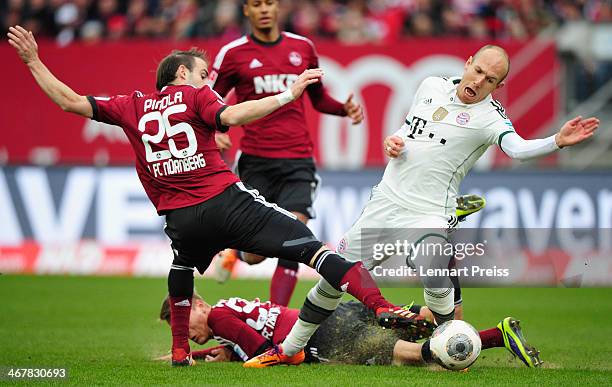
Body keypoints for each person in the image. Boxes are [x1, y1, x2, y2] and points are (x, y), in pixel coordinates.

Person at [8, 24, 429, 367]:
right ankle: (379, 305)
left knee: (182, 267)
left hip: (182, 220)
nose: (207, 78)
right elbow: (232, 115)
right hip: (226, 203)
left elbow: (68, 101)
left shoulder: (131, 106)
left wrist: (33, 60)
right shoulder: (194, 95)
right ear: (181, 75)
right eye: (202, 73)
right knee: (313, 250)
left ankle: (178, 352)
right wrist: (287, 94)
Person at [246, 44, 598, 368]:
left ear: (498, 86)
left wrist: (557, 141)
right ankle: (289, 351)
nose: (480, 81)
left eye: (491, 80)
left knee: (433, 269)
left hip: (430, 210)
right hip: (384, 202)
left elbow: (517, 149)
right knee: (333, 280)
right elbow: (408, 129)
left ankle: (450, 344)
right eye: (478, 71)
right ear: (468, 63)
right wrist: (394, 140)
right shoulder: (431, 86)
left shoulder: (490, 118)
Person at [209, 0, 364, 307]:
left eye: (269, 3)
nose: (264, 9)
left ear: (277, 7)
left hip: (298, 162)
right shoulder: (233, 54)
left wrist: (343, 110)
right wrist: (216, 131)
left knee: (295, 237)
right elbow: (209, 100)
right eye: (257, 4)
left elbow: (318, 99)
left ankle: (276, 318)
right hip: (255, 162)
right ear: (247, 11)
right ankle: (234, 252)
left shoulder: (303, 47)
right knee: (254, 256)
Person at [158, 292, 542, 368]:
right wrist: (203, 354)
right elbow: (240, 343)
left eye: (182, 322)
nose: (185, 333)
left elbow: (261, 350)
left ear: (199, 306)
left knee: (413, 359)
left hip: (320, 334)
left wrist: (201, 356)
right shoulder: (225, 311)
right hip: (331, 312)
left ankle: (479, 339)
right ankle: (496, 335)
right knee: (421, 322)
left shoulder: (218, 319)